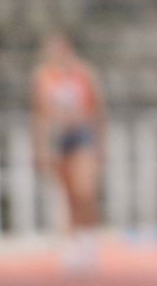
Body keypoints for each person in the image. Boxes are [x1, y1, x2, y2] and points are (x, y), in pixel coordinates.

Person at [31, 32, 107, 238]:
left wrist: (101, 144)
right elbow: (39, 116)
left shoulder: (84, 73)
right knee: (68, 194)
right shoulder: (43, 77)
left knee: (85, 190)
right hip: (57, 137)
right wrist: (41, 147)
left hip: (81, 133)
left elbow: (98, 110)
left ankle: (89, 234)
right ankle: (74, 238)